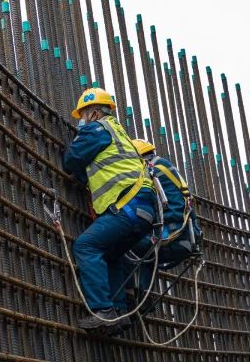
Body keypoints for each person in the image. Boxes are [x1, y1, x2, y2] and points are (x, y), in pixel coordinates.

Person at [63, 88, 156, 333]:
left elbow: (71, 160)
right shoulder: (120, 134)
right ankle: (119, 312)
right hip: (143, 210)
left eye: (82, 114)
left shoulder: (98, 129)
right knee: (111, 255)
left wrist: (77, 140)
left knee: (86, 246)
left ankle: (103, 311)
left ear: (93, 112)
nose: (80, 120)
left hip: (127, 207)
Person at [130, 139, 202, 298]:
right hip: (186, 238)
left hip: (172, 237)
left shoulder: (152, 171)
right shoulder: (163, 166)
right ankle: (143, 295)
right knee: (146, 252)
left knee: (124, 243)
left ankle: (134, 295)